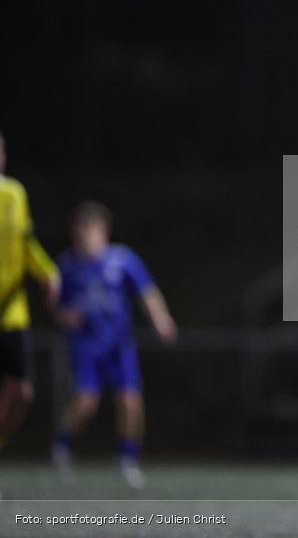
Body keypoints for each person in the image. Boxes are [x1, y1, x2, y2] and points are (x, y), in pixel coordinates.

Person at [52, 201, 177, 488]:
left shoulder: (122, 260)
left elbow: (147, 291)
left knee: (130, 402)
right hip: (85, 345)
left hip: (119, 345)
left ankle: (127, 460)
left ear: (103, 231)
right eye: (79, 229)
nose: (84, 235)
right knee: (86, 403)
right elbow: (56, 305)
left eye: (90, 229)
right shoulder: (66, 266)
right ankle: (62, 447)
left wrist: (161, 317)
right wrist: (62, 315)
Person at [0, 132, 60, 453]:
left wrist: (48, 273)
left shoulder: (14, 193)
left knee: (22, 391)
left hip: (11, 310)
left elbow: (27, 243)